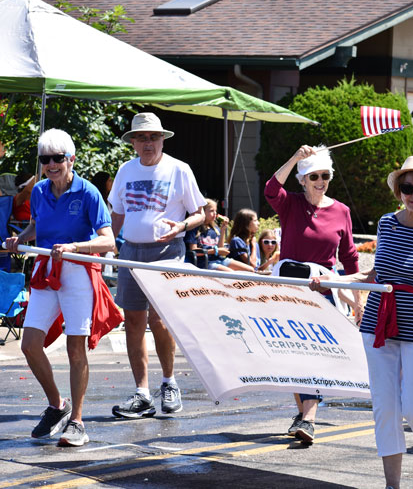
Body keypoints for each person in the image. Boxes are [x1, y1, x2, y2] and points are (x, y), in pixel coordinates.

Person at [310, 155, 413, 489]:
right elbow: (374, 274)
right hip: (379, 326)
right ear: (398, 191)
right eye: (408, 187)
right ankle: (392, 485)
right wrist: (330, 280)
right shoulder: (387, 224)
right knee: (385, 408)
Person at [4, 128, 119, 447]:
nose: (52, 164)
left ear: (71, 159)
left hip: (78, 274)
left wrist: (75, 247)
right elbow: (37, 226)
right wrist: (21, 239)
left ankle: (78, 421)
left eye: (58, 158)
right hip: (46, 272)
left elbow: (108, 241)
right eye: (46, 159)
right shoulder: (39, 191)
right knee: (29, 344)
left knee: (75, 347)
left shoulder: (89, 193)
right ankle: (58, 405)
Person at [108, 112, 205, 419]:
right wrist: (107, 243)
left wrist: (181, 226)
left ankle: (169, 382)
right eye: (142, 138)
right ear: (133, 142)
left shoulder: (179, 169)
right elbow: (118, 215)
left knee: (160, 320)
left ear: (163, 139)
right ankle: (141, 393)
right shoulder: (125, 170)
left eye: (153, 137)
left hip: (167, 251)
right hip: (131, 252)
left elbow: (200, 213)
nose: (148, 143)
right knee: (133, 321)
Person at [264, 145, 361, 444]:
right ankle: (303, 415)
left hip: (322, 289)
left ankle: (308, 418)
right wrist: (295, 158)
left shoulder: (341, 211)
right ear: (302, 179)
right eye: (314, 176)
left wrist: (358, 301)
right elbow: (270, 189)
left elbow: (351, 257)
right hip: (288, 287)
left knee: (314, 352)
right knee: (293, 351)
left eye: (325, 176)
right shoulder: (290, 204)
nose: (320, 181)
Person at [184, 199, 252, 272]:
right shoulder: (194, 229)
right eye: (211, 211)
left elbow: (220, 248)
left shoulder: (215, 229)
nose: (215, 213)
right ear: (203, 212)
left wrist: (223, 230)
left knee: (250, 270)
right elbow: (194, 251)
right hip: (205, 262)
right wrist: (215, 251)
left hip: (219, 259)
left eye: (215, 211)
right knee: (231, 274)